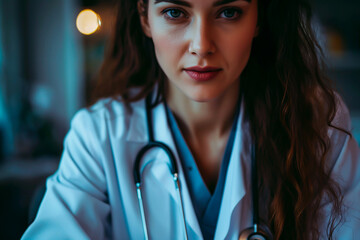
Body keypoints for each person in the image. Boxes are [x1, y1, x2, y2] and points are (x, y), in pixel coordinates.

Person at [22, 0, 360, 239]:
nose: (201, 45)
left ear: (258, 18)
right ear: (145, 17)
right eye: (175, 12)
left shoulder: (319, 127)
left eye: (229, 12)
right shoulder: (98, 136)